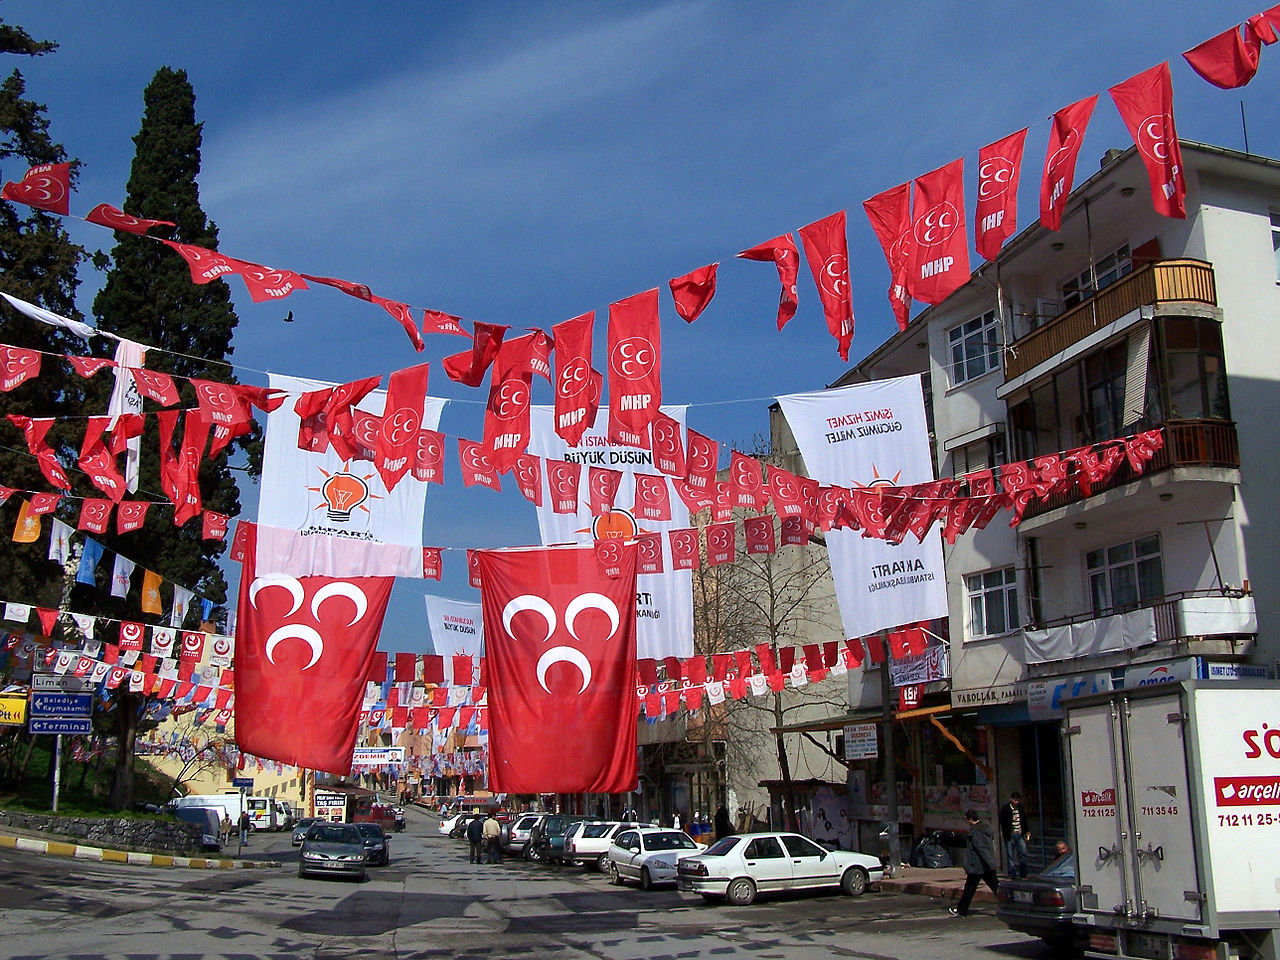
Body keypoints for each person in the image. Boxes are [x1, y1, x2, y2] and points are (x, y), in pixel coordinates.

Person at [949, 810, 999, 917]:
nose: (966, 822)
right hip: (986, 866)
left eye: (966, 819)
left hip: (977, 866)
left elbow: (981, 849)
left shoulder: (975, 833)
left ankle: (961, 911)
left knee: (969, 890)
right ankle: (1008, 905)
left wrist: (990, 863)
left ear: (970, 819)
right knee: (996, 887)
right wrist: (991, 864)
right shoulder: (987, 829)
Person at [999, 792, 1030, 878]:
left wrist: (1026, 831)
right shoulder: (1005, 808)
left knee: (1022, 854)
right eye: (1015, 800)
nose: (1016, 802)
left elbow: (1024, 820)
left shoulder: (1020, 807)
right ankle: (1012, 874)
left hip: (1019, 834)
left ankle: (1023, 873)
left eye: (1018, 800)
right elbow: (1002, 822)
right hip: (1010, 835)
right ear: (1011, 799)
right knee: (1010, 856)